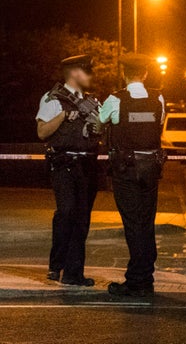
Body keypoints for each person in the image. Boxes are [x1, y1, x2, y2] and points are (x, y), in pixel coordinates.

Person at [99, 53, 165, 297]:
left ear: (124, 74)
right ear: (146, 73)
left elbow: (100, 121)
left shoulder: (115, 99)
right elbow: (159, 124)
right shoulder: (158, 97)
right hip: (150, 168)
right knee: (146, 223)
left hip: (126, 170)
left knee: (133, 224)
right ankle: (145, 277)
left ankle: (137, 281)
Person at [36, 54, 100, 286]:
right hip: (64, 164)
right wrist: (63, 116)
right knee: (67, 212)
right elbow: (42, 132)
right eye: (88, 71)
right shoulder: (54, 99)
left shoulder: (92, 101)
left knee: (82, 218)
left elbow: (102, 129)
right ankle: (56, 264)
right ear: (74, 73)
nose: (91, 76)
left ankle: (74, 274)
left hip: (87, 165)